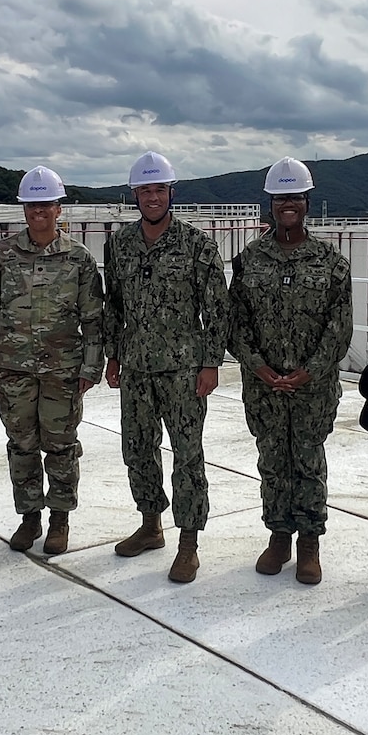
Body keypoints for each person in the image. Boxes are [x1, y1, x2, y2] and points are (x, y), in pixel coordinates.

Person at [102, 150, 229, 583]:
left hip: (183, 370)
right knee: (137, 449)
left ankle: (188, 542)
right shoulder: (119, 244)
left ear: (171, 192)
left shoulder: (197, 244)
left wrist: (211, 364)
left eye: (159, 189)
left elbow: (216, 310)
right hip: (136, 366)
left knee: (187, 456)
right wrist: (113, 355)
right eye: (145, 190)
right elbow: (113, 303)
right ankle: (151, 525)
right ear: (134, 194)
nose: (152, 197)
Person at [228, 157, 352, 585]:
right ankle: (279, 535)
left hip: (312, 389)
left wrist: (310, 371)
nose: (288, 205)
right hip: (264, 387)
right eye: (281, 197)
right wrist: (259, 367)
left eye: (295, 197)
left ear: (306, 202)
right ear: (271, 202)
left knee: (309, 461)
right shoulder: (248, 261)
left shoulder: (330, 261)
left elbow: (340, 327)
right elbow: (235, 322)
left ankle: (309, 542)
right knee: (272, 461)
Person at [0, 165, 104, 556]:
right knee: (22, 444)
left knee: (62, 445)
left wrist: (91, 367)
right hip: (12, 369)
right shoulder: (1, 256)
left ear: (58, 209)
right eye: (32, 206)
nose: (39, 212)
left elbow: (93, 318)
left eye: (46, 205)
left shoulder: (79, 259)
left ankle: (60, 519)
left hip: (63, 371)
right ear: (24, 209)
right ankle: (29, 517)